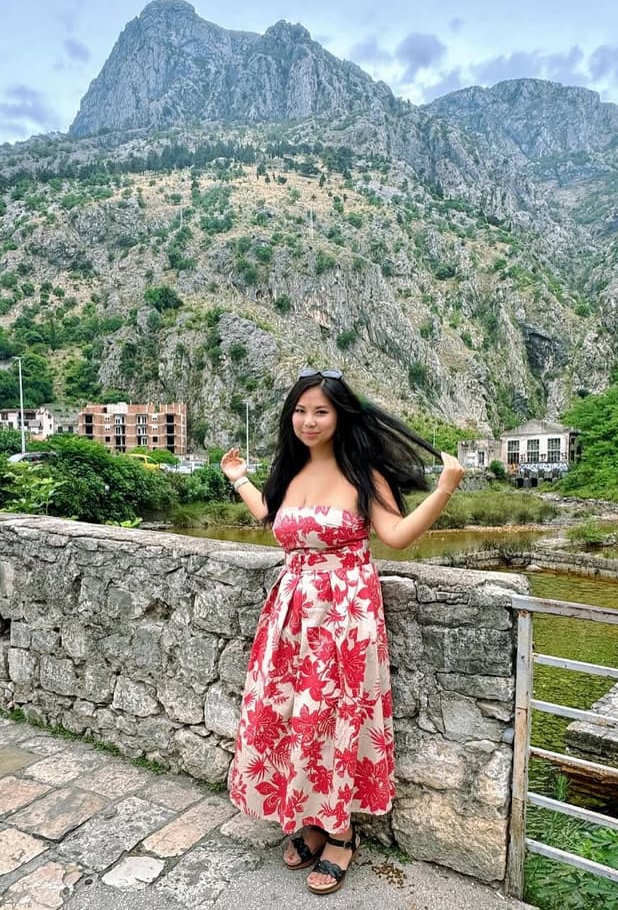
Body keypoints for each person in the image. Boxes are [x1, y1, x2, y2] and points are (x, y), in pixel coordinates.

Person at [220, 367, 464, 895]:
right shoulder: (289, 471)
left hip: (345, 617)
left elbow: (396, 536)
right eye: (300, 410)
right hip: (289, 615)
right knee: (287, 715)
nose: (308, 421)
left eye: (321, 411)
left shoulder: (364, 474)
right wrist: (239, 479)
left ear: (341, 415)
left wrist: (444, 488)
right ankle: (309, 817)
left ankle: (341, 832)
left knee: (334, 718)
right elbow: (275, 519)